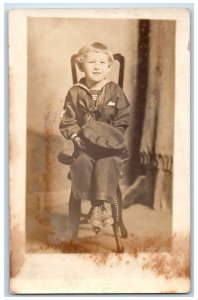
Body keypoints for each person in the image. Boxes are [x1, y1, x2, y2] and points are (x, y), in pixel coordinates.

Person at [59, 42, 130, 228]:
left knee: (109, 162)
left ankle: (98, 207)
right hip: (84, 144)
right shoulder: (75, 92)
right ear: (81, 65)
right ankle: (97, 207)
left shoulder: (115, 91)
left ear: (108, 67)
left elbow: (123, 118)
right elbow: (68, 118)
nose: (97, 67)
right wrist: (75, 136)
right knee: (82, 162)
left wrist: (110, 138)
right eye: (91, 62)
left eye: (101, 63)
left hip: (109, 145)